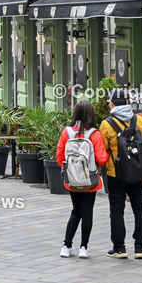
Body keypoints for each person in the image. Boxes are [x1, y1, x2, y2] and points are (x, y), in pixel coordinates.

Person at [100, 88, 142, 259]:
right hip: (137, 171)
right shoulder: (140, 120)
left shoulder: (107, 124)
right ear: (127, 102)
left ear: (112, 103)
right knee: (139, 209)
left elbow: (103, 149)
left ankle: (119, 248)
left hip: (117, 173)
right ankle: (140, 248)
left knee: (117, 209)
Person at [56, 101, 109, 259]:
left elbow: (60, 156)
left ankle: (66, 245)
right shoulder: (95, 134)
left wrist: (72, 170)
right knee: (87, 213)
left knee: (75, 211)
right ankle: (83, 248)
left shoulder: (66, 132)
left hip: (72, 180)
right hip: (90, 181)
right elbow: (101, 158)